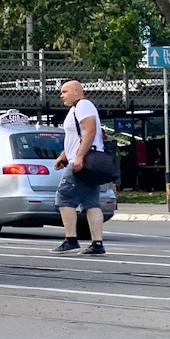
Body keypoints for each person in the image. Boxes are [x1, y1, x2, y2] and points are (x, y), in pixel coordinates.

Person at [51, 79, 107, 256]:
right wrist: (63, 156)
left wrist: (79, 157)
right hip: (90, 160)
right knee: (91, 202)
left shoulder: (83, 105)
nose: (61, 95)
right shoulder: (77, 109)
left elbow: (90, 131)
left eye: (65, 91)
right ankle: (97, 244)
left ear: (76, 91)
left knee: (64, 197)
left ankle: (71, 240)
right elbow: (77, 137)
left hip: (84, 160)